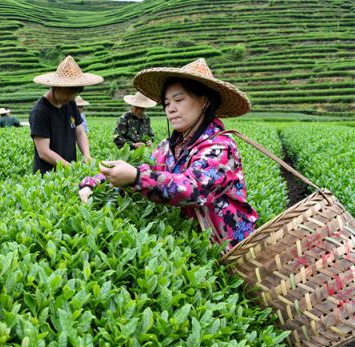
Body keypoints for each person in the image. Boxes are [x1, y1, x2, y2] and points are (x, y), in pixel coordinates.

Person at [79, 58, 258, 250]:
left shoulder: (221, 147)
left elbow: (192, 189)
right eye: (166, 103)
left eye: (179, 100)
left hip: (229, 249)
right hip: (191, 245)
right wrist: (94, 183)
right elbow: (144, 169)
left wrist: (136, 177)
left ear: (205, 101)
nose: (170, 109)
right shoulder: (167, 147)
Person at [29, 55, 103, 174]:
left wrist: (87, 155)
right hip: (48, 177)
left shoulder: (70, 103)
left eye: (74, 94)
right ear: (55, 87)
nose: (70, 98)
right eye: (67, 93)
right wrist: (71, 167)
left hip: (68, 173)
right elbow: (43, 152)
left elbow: (79, 131)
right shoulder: (40, 112)